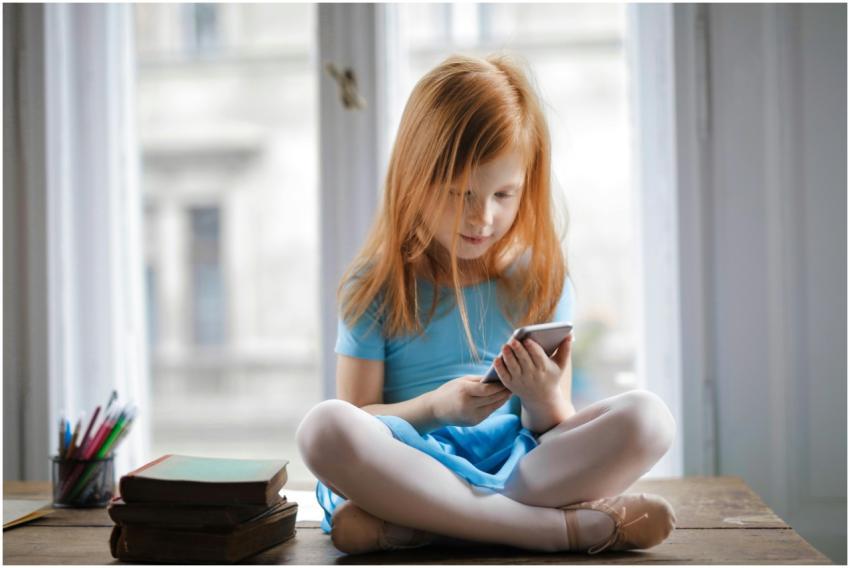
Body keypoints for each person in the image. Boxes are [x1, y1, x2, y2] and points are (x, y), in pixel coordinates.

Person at [296, 53, 677, 555]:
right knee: (323, 429)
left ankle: (424, 526)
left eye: (504, 194)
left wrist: (542, 399)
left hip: (519, 467)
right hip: (414, 463)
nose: (482, 217)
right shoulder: (377, 286)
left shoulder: (542, 279)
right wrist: (438, 407)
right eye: (460, 193)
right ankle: (558, 531)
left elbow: (552, 430)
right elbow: (360, 416)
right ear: (414, 181)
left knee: (650, 418)